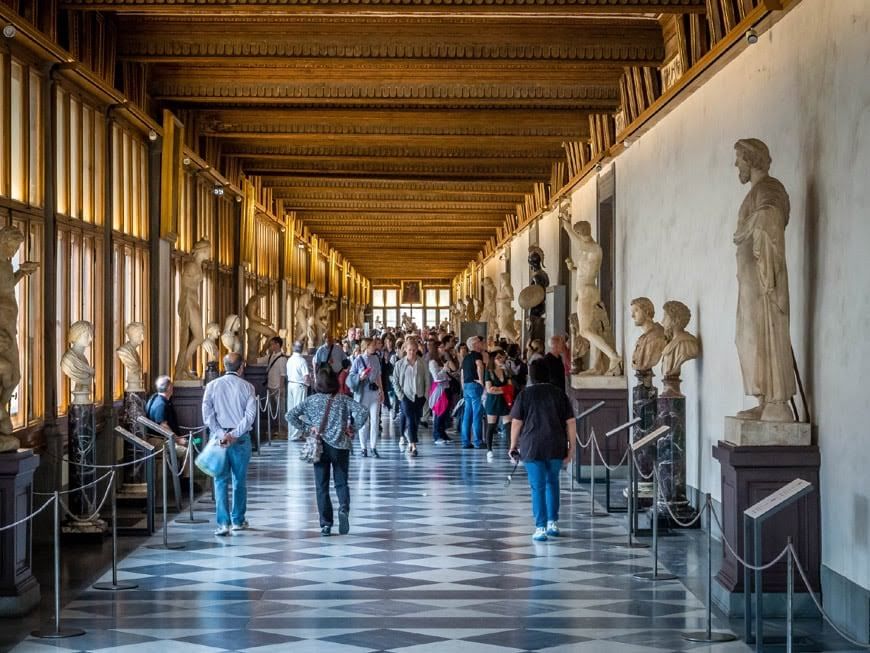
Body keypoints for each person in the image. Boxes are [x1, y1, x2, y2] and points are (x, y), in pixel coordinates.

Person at [287, 368, 369, 536]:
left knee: (321, 486)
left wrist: (308, 428)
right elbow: (363, 411)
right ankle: (344, 508)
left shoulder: (311, 401)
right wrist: (352, 428)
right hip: (340, 446)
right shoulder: (342, 399)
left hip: (320, 446)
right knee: (341, 482)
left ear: (318, 383)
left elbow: (290, 415)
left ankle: (326, 524)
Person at [509, 358, 575, 542]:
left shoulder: (525, 394)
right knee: (552, 482)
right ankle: (553, 522)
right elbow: (570, 423)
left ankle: (540, 527)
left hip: (532, 445)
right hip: (556, 443)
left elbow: (516, 423)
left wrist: (512, 445)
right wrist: (572, 448)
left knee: (537, 486)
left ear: (531, 375)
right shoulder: (559, 394)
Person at [201, 353, 257, 536]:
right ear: (241, 367)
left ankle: (223, 523)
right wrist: (233, 435)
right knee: (239, 481)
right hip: (240, 439)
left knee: (220, 481)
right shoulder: (248, 387)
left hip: (219, 439)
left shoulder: (211, 386)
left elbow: (207, 415)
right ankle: (238, 521)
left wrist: (221, 434)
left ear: (224, 367)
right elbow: (249, 418)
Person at [392, 337, 430, 456]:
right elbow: (395, 381)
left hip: (419, 396)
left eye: (414, 350)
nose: (412, 352)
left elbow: (427, 380)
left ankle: (410, 442)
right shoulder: (399, 364)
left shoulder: (422, 363)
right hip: (405, 396)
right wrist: (400, 396)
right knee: (410, 418)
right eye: (409, 350)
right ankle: (413, 446)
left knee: (416, 419)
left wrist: (425, 395)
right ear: (405, 350)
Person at [349, 338, 384, 457]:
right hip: (362, 393)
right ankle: (363, 447)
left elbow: (379, 375)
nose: (375, 347)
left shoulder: (375, 359)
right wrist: (360, 376)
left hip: (374, 392)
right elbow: (351, 376)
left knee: (375, 420)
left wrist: (382, 391)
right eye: (373, 345)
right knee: (364, 421)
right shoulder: (358, 360)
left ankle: (373, 447)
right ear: (367, 346)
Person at [483, 350, 512, 461]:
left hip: (505, 401)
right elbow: (489, 389)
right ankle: (489, 449)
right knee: (491, 426)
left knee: (508, 426)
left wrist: (499, 389)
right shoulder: (489, 372)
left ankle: (511, 448)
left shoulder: (506, 371)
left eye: (502, 357)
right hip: (493, 401)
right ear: (493, 360)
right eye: (498, 358)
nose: (501, 360)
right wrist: (504, 390)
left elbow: (510, 388)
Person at [257, 336, 287, 434]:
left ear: (278, 344)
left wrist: (281, 388)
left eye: (273, 344)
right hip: (270, 386)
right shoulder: (270, 356)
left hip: (278, 387)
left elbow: (283, 375)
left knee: (280, 409)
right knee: (272, 409)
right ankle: (274, 428)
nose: (271, 346)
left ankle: (282, 428)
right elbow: (259, 361)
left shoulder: (282, 358)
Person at [460, 336, 486, 449]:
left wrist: (463, 387)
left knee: (467, 414)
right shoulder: (477, 355)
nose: (482, 344)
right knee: (477, 414)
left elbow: (462, 374)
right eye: (480, 342)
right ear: (475, 344)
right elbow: (480, 366)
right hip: (475, 386)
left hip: (466, 386)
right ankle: (478, 441)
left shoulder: (465, 358)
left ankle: (465, 441)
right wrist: (481, 381)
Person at [285, 340, 312, 441]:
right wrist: (309, 383)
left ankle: (292, 433)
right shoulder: (302, 361)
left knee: (291, 410)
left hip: (290, 384)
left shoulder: (290, 360)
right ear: (302, 348)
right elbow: (306, 377)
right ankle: (297, 434)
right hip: (299, 386)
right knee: (299, 410)